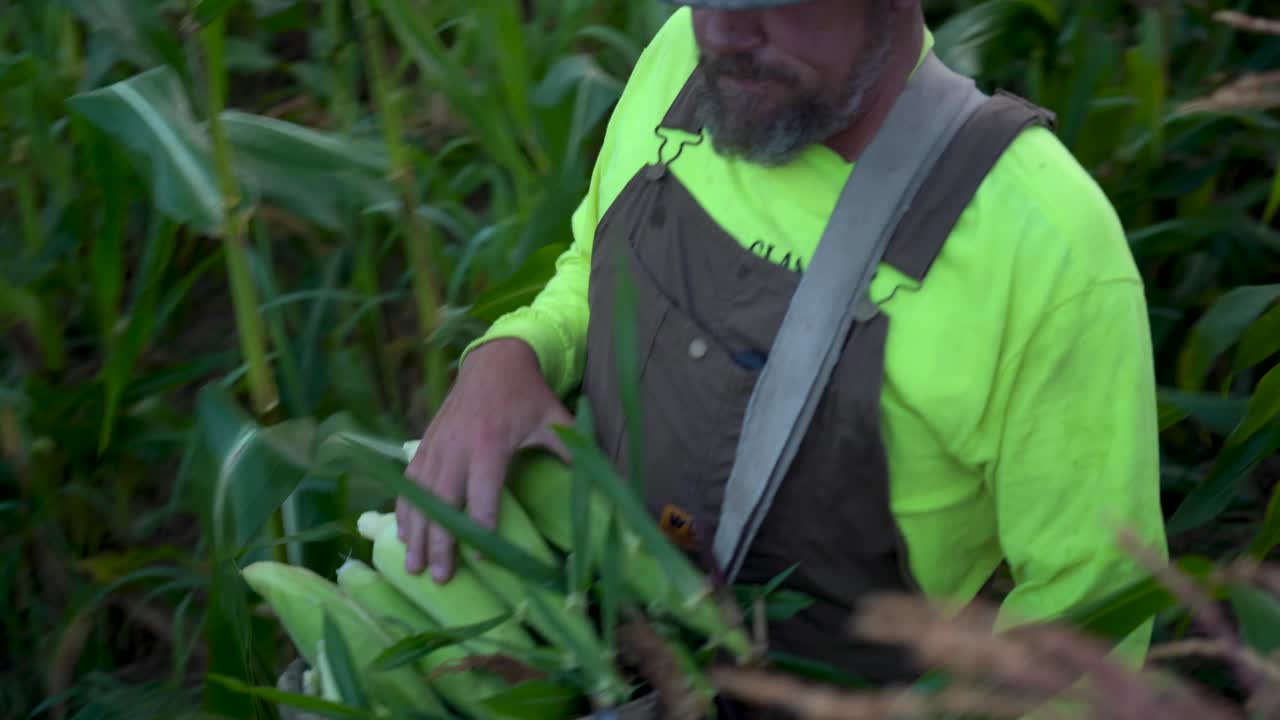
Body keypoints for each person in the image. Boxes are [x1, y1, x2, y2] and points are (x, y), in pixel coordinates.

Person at [398, 0, 1169, 688]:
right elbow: (585, 271)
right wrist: (511, 353)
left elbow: (1086, 621)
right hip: (602, 652)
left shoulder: (1048, 250)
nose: (724, 32)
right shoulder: (680, 62)